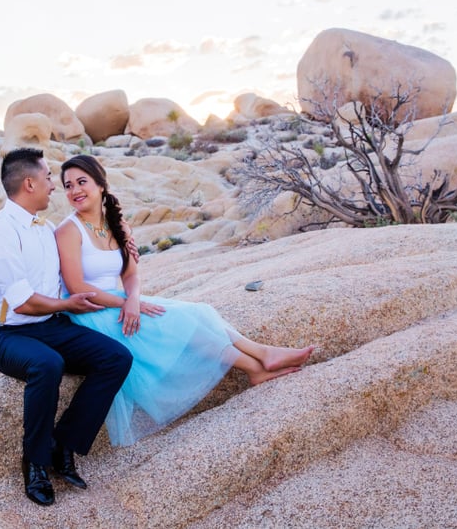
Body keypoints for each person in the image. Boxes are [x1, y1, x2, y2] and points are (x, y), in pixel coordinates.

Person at [55, 154, 315, 447]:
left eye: (81, 182)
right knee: (182, 325)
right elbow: (76, 286)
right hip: (90, 311)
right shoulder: (67, 230)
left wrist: (134, 299)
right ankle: (258, 362)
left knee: (199, 313)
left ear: (101, 184)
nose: (75, 190)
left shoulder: (117, 224)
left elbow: (130, 275)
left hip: (121, 301)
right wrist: (126, 304)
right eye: (67, 186)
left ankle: (260, 360)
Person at [0, 148, 133, 507]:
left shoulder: (46, 228)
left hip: (50, 324)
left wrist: (124, 249)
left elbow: (76, 264)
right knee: (47, 364)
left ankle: (64, 445)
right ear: (29, 182)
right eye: (49, 178)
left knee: (115, 358)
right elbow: (22, 302)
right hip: (7, 335)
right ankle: (34, 462)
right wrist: (68, 304)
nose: (53, 186)